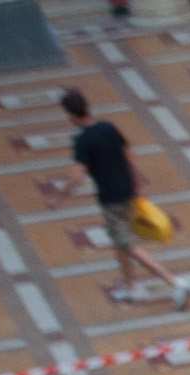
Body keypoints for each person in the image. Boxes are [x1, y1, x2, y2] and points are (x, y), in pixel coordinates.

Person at [59, 88, 169, 303]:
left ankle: (173, 281)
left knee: (127, 245)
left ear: (71, 116)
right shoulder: (108, 127)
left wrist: (60, 196)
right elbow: (129, 155)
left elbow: (78, 177)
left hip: (111, 200)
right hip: (128, 192)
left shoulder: (83, 140)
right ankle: (131, 286)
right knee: (120, 243)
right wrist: (137, 182)